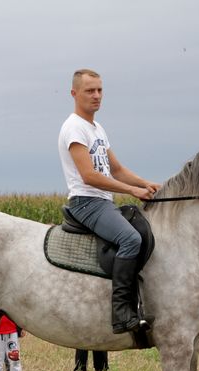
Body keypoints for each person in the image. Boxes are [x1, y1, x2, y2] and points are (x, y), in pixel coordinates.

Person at [58, 69, 161, 334]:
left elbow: (115, 169)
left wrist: (145, 183)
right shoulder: (74, 127)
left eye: (99, 90)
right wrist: (131, 191)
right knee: (130, 239)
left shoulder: (97, 128)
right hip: (86, 202)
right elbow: (89, 176)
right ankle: (121, 313)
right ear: (74, 93)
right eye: (89, 91)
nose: (96, 96)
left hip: (103, 201)